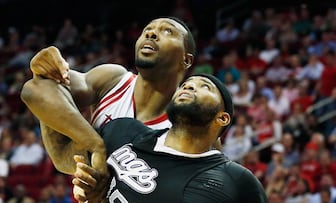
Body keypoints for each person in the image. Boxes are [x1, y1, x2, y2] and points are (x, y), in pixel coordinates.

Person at [20, 17, 197, 177]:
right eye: (147, 30)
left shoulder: (191, 124)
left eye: (168, 31)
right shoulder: (114, 79)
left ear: (186, 60)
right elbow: (34, 89)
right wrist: (96, 145)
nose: (151, 33)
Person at [72, 74, 268, 203]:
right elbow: (68, 158)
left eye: (204, 87)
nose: (189, 87)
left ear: (222, 118)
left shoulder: (236, 181)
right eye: (186, 84)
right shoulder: (123, 129)